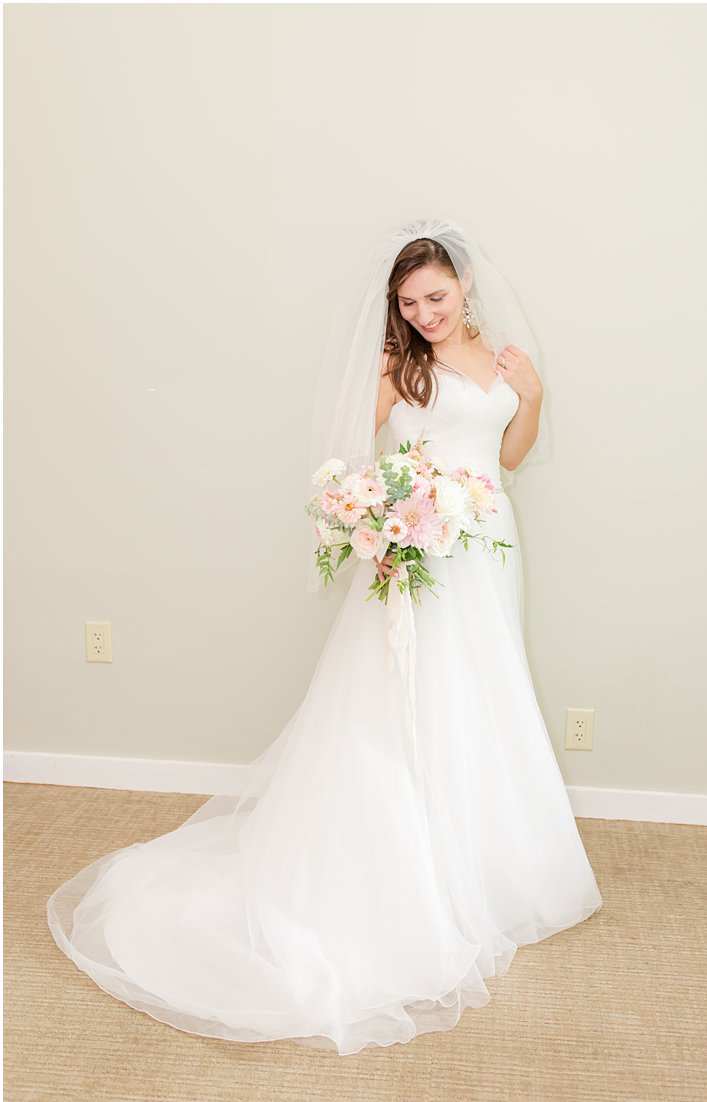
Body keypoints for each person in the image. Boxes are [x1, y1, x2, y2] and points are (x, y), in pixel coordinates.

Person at [48, 219, 602, 1054]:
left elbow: (509, 457)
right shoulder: (396, 365)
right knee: (410, 693)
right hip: (422, 551)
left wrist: (533, 398)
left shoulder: (501, 355)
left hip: (489, 546)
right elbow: (352, 464)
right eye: (409, 302)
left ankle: (482, 862)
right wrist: (391, 518)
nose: (424, 314)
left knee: (484, 688)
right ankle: (402, 869)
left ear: (465, 285)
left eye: (437, 297)